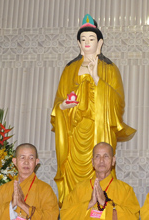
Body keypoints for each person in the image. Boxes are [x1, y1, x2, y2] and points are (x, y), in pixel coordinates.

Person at [51, 15, 136, 204]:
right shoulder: (69, 69)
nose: (87, 42)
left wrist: (97, 79)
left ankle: (101, 209)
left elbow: (119, 102)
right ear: (79, 44)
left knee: (101, 168)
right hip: (75, 135)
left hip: (100, 131)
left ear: (100, 42)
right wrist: (64, 106)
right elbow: (59, 101)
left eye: (91, 38)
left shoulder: (109, 68)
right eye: (83, 39)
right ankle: (74, 213)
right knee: (74, 184)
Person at [60, 142, 140, 220]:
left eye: (106, 156)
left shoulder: (125, 190)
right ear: (92, 162)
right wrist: (88, 204)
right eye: (97, 156)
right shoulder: (79, 188)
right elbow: (65, 216)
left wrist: (105, 204)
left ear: (113, 161)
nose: (101, 160)